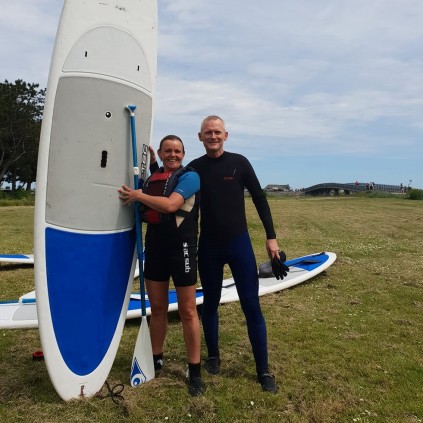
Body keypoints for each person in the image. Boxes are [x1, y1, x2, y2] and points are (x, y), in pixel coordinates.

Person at [188, 115, 285, 393]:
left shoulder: (239, 163)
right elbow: (178, 196)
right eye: (208, 133)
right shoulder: (194, 169)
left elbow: (259, 198)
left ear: (226, 135)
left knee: (251, 305)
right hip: (208, 245)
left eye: (217, 132)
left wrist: (271, 237)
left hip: (238, 243)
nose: (213, 136)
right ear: (200, 137)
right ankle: (214, 355)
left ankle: (263, 370)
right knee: (210, 303)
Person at [118, 135, 205, 396]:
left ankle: (195, 369)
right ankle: (156, 358)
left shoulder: (190, 177)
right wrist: (151, 160)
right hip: (155, 246)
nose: (173, 155)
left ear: (183, 153)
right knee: (158, 308)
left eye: (177, 151)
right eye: (168, 151)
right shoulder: (154, 178)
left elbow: (170, 204)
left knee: (188, 310)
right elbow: (158, 182)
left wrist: (137, 195)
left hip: (183, 250)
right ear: (162, 152)